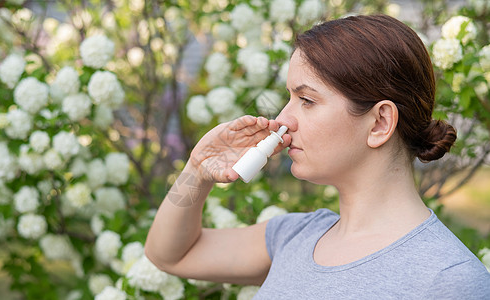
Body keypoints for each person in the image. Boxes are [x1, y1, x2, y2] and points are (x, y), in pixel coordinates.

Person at [145, 14, 490, 298]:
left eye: (306, 100)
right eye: (289, 98)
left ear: (380, 123)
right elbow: (171, 255)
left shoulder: (448, 279)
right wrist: (197, 169)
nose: (282, 119)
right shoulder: (295, 236)